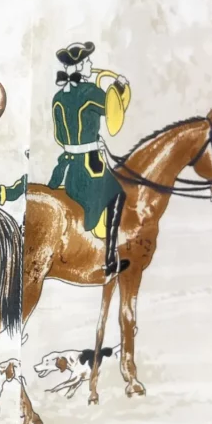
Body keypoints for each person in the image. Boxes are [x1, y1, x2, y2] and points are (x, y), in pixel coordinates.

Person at [47, 41, 130, 277]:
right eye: (87, 61)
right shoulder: (91, 92)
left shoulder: (58, 97)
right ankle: (110, 260)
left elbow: (59, 136)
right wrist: (120, 87)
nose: (91, 64)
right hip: (90, 165)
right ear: (80, 65)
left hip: (69, 165)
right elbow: (113, 111)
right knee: (117, 194)